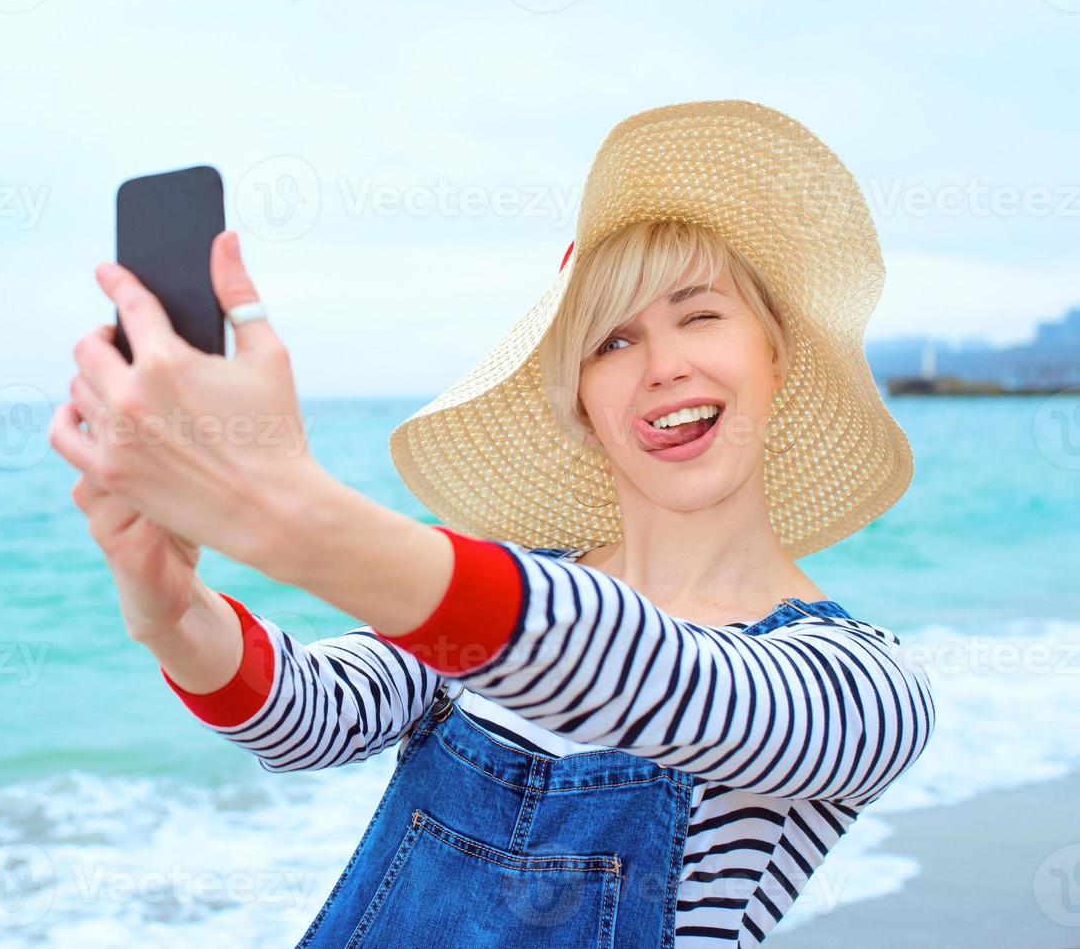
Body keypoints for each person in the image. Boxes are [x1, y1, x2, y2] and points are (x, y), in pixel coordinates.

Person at [50, 99, 936, 948]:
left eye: (699, 316)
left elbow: (648, 672)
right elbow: (305, 718)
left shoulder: (862, 686)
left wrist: (290, 513)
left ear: (774, 356)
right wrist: (171, 609)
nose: (663, 365)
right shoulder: (493, 595)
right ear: (584, 403)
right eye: (610, 343)